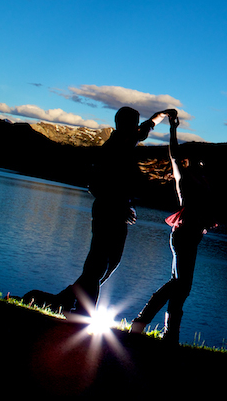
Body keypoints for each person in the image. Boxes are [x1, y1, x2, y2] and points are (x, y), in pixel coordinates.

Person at [31, 106, 170, 317]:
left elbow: (147, 126)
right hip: (108, 212)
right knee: (97, 266)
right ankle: (82, 312)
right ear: (128, 125)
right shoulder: (113, 148)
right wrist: (121, 206)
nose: (137, 128)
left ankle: (66, 300)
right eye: (135, 124)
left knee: (109, 263)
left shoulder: (127, 141)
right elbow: (95, 185)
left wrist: (165, 114)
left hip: (117, 212)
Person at [130, 109, 217, 343]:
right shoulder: (184, 177)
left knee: (182, 286)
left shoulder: (205, 180)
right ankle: (142, 322)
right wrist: (173, 129)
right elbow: (174, 156)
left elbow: (209, 206)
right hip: (183, 234)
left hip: (194, 234)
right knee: (180, 283)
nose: (201, 161)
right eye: (197, 158)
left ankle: (169, 334)